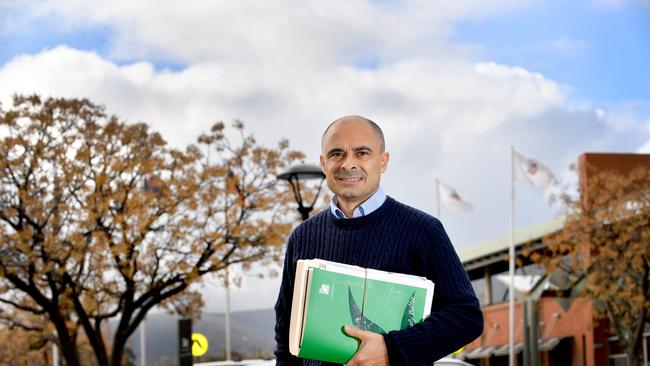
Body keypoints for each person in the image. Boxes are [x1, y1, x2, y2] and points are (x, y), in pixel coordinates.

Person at [274, 116, 483, 366]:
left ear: (383, 161)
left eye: (362, 153)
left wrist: (391, 349)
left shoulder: (423, 230)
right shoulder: (303, 237)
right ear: (323, 163)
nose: (348, 164)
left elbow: (466, 317)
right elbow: (285, 333)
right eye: (336, 154)